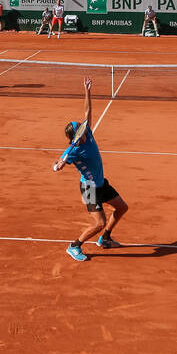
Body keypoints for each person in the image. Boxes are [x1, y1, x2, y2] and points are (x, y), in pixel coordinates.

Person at [52, 77, 128, 261]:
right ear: (76, 135)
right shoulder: (73, 152)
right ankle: (74, 246)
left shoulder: (89, 133)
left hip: (101, 184)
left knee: (122, 208)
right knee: (99, 222)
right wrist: (59, 165)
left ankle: (105, 239)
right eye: (81, 129)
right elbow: (56, 166)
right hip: (89, 189)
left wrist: (87, 91)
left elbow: (87, 110)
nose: (85, 127)